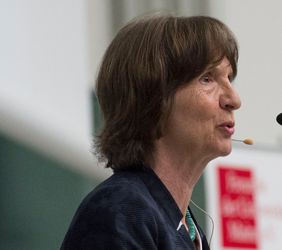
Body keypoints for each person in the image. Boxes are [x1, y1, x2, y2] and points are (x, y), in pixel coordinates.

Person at [61, 13, 241, 250]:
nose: (234, 100)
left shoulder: (188, 230)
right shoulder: (121, 209)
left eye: (229, 78)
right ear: (154, 99)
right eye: (207, 79)